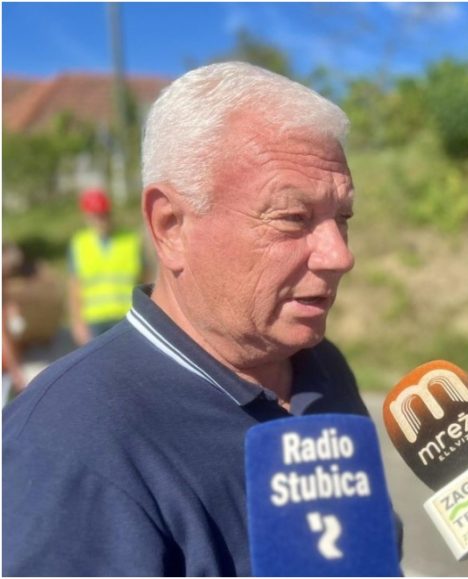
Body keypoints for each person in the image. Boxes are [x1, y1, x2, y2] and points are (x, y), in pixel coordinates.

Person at [3, 62, 389, 575]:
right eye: (294, 217)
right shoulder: (67, 447)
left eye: (342, 219)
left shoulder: (323, 367)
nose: (339, 255)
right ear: (171, 227)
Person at [68, 187, 147, 345]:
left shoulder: (130, 241)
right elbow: (75, 287)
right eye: (95, 216)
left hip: (127, 316)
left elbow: (145, 278)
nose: (101, 221)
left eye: (104, 215)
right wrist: (78, 323)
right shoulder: (79, 244)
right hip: (95, 320)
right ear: (87, 217)